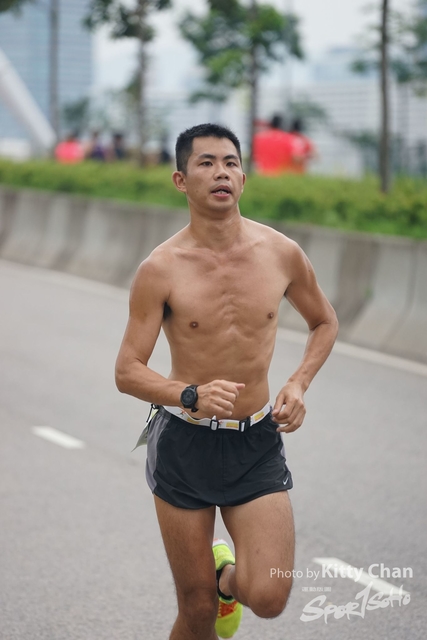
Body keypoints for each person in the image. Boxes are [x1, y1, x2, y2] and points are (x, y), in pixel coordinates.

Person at [115, 123, 338, 640]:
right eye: (207, 163)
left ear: (243, 177)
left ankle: (226, 579)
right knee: (196, 612)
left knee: (269, 596)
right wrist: (188, 394)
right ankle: (209, 592)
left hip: (256, 441)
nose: (222, 172)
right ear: (181, 180)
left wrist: (298, 383)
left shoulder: (281, 252)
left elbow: (324, 321)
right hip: (184, 443)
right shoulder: (161, 268)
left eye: (231, 163)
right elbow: (127, 370)